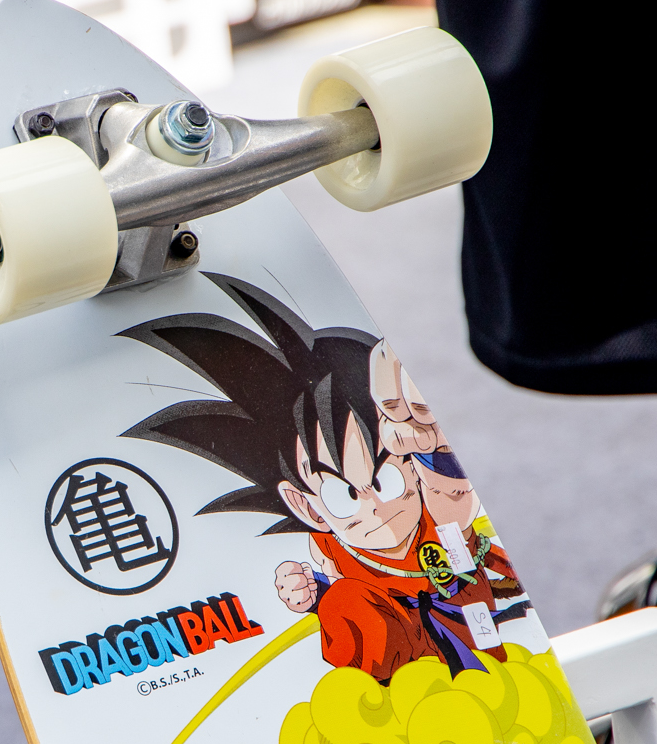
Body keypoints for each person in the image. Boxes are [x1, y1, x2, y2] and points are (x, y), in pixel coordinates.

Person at [122, 274, 527, 681]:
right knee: (344, 602)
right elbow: (338, 596)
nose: (374, 505)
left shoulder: (436, 508)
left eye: (386, 479)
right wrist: (310, 593)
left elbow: (452, 494)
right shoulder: (331, 550)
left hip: (473, 637)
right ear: (305, 505)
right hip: (397, 675)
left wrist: (430, 439)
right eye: (343, 494)